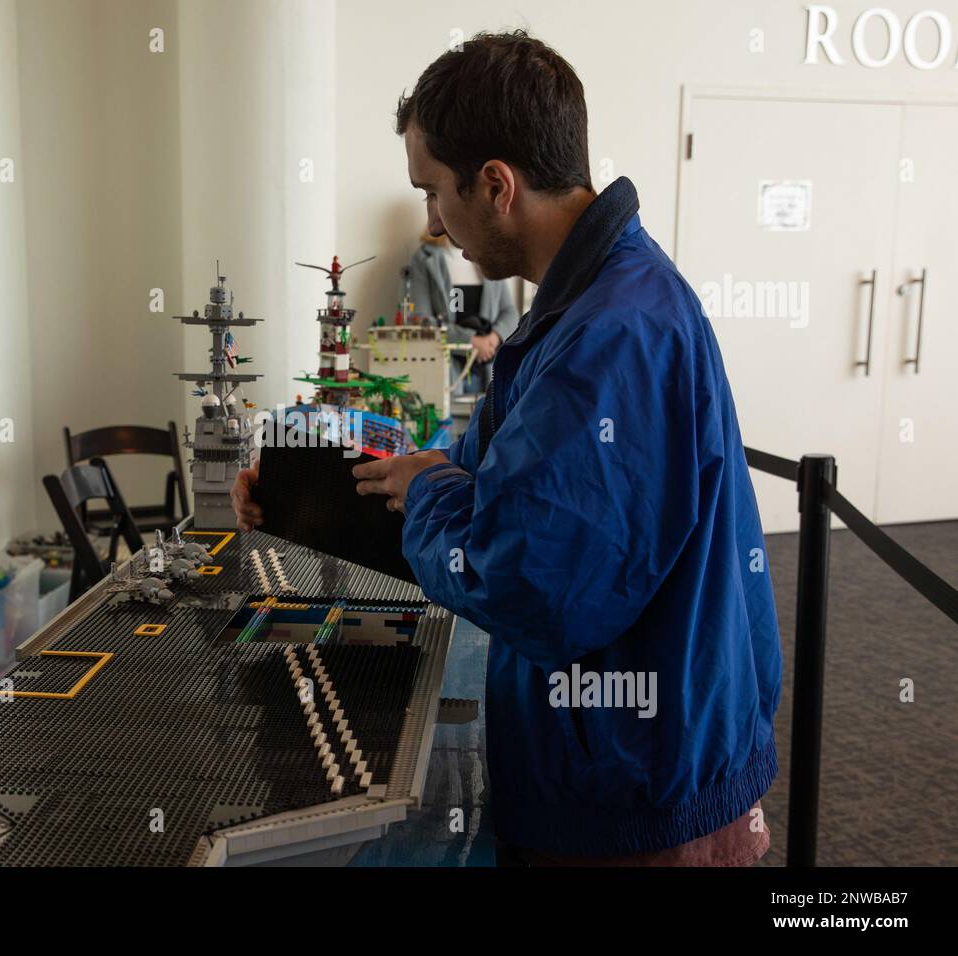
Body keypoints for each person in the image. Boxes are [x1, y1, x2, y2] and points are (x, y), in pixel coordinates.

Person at [233, 30, 782, 867]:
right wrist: (305, 500)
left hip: (641, 796)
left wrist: (425, 495)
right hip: (622, 759)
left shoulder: (612, 337)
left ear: (495, 185)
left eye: (433, 194)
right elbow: (488, 477)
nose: (433, 223)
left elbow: (532, 581)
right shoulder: (579, 306)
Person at [407, 231, 519, 394]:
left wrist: (492, 339)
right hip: (444, 371)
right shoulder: (424, 258)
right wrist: (469, 341)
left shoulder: (488, 253)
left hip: (487, 369)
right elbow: (419, 321)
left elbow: (510, 312)